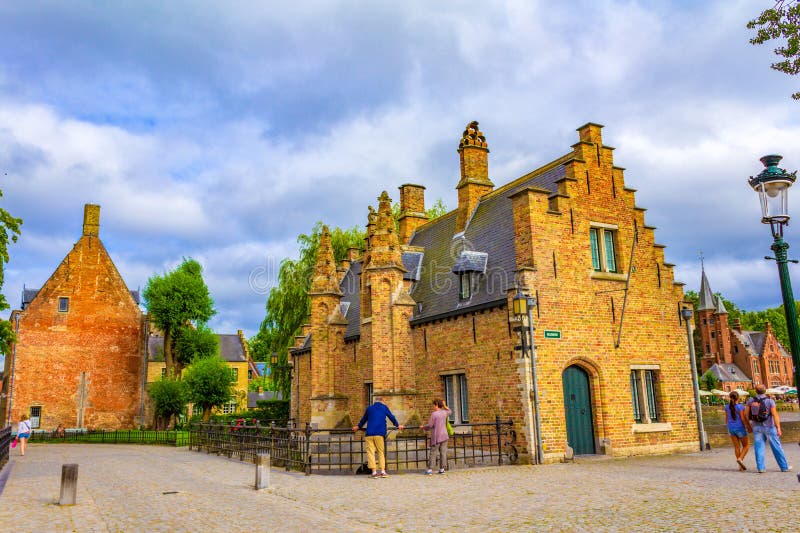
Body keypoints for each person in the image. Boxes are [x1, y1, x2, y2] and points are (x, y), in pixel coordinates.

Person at [745, 384, 792, 473]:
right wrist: (778, 428)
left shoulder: (750, 400)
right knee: (777, 447)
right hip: (769, 426)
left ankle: (761, 468)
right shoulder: (770, 401)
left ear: (755, 391)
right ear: (765, 391)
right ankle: (784, 467)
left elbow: (746, 414)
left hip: (756, 427)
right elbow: (775, 415)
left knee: (759, 448)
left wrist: (748, 426)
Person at [353, 396, 404, 478]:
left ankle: (374, 472)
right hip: (379, 434)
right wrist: (398, 425)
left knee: (370, 453)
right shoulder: (384, 408)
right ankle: (383, 472)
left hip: (369, 433)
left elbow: (363, 419)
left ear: (374, 401)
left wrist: (358, 426)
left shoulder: (369, 408)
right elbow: (391, 417)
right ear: (382, 401)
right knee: (380, 452)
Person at [420, 398, 451, 475]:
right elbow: (450, 411)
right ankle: (442, 469)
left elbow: (430, 425)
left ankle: (430, 469)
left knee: (433, 452)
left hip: (437, 436)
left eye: (434, 405)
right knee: (443, 453)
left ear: (436, 405)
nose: (433, 407)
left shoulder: (434, 414)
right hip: (444, 435)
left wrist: (423, 427)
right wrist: (444, 405)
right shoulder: (444, 413)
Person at [724, 391, 749, 471]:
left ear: (729, 397)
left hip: (731, 428)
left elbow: (727, 419)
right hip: (740, 428)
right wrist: (748, 426)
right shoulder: (740, 407)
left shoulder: (727, 407)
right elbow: (742, 419)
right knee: (746, 445)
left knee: (737, 447)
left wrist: (728, 427)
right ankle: (740, 459)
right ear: (738, 398)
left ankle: (740, 466)